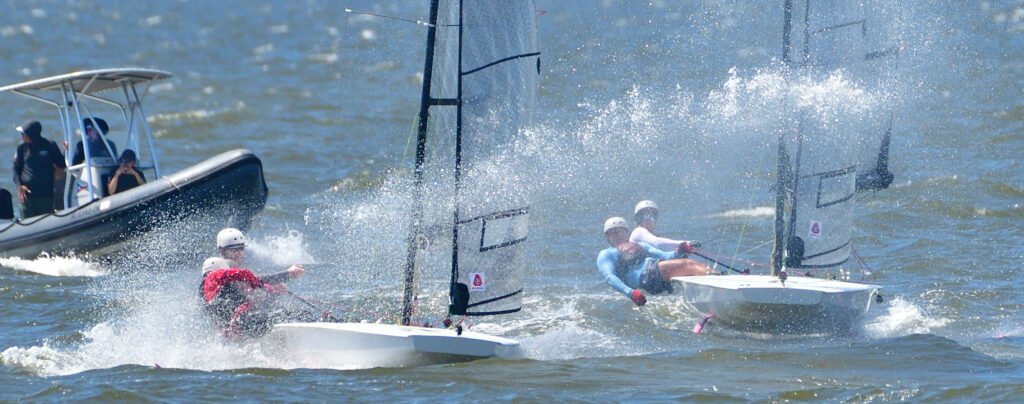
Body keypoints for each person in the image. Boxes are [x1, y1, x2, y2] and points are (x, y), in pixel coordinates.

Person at [198, 227, 308, 337]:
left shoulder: (216, 283)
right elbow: (251, 280)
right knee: (298, 315)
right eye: (233, 249)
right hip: (246, 323)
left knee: (280, 313)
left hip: (240, 327)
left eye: (241, 248)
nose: (238, 253)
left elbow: (250, 292)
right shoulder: (221, 270)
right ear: (222, 250)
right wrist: (287, 274)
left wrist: (272, 291)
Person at [595, 217, 711, 306]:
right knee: (687, 265)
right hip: (645, 278)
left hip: (655, 275)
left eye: (619, 231)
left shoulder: (640, 245)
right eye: (612, 233)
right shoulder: (606, 254)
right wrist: (631, 293)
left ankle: (715, 283)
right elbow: (610, 277)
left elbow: (665, 256)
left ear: (627, 232)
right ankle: (716, 279)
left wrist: (680, 251)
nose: (616, 235)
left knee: (691, 265)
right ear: (607, 237)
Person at [12, 120, 67, 219]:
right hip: (27, 196)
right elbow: (16, 169)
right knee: (27, 223)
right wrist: (19, 186)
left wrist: (65, 150)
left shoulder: (50, 145)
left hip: (45, 195)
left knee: (45, 220)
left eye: (23, 133)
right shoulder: (21, 148)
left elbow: (61, 164)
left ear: (30, 135)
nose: (22, 136)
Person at [629, 200, 696, 251]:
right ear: (638, 219)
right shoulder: (639, 231)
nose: (650, 220)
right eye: (645, 216)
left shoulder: (655, 236)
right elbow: (658, 243)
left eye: (653, 216)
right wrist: (687, 243)